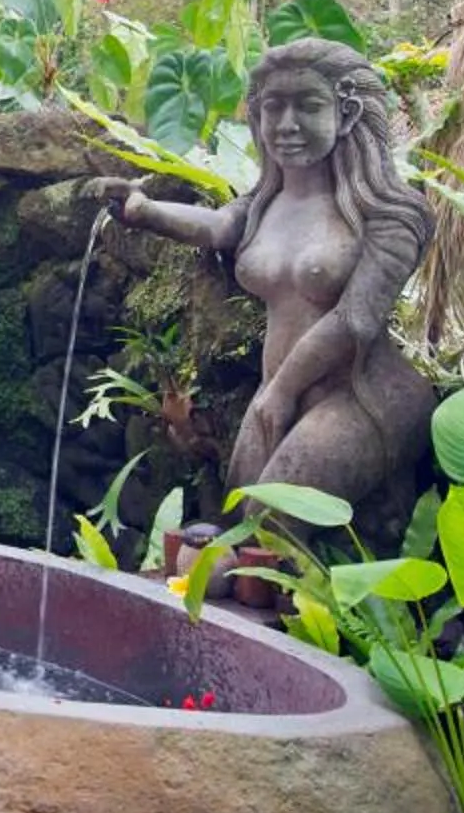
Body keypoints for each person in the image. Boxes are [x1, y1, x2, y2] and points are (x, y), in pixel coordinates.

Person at [118, 38, 435, 509]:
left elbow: (357, 320)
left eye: (308, 106)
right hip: (279, 390)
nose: (287, 125)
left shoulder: (388, 214)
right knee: (231, 534)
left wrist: (282, 390)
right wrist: (142, 209)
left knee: (267, 525)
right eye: (273, 107)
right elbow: (218, 226)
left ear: (346, 114)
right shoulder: (264, 203)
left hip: (364, 396)